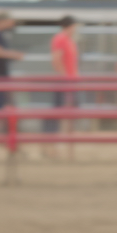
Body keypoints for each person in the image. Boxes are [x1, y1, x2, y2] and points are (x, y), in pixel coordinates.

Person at [42, 15, 78, 151]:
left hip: (70, 81)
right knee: (58, 113)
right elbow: (57, 60)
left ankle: (61, 143)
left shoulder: (69, 40)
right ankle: (52, 144)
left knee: (67, 112)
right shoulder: (61, 39)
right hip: (65, 82)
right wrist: (65, 77)